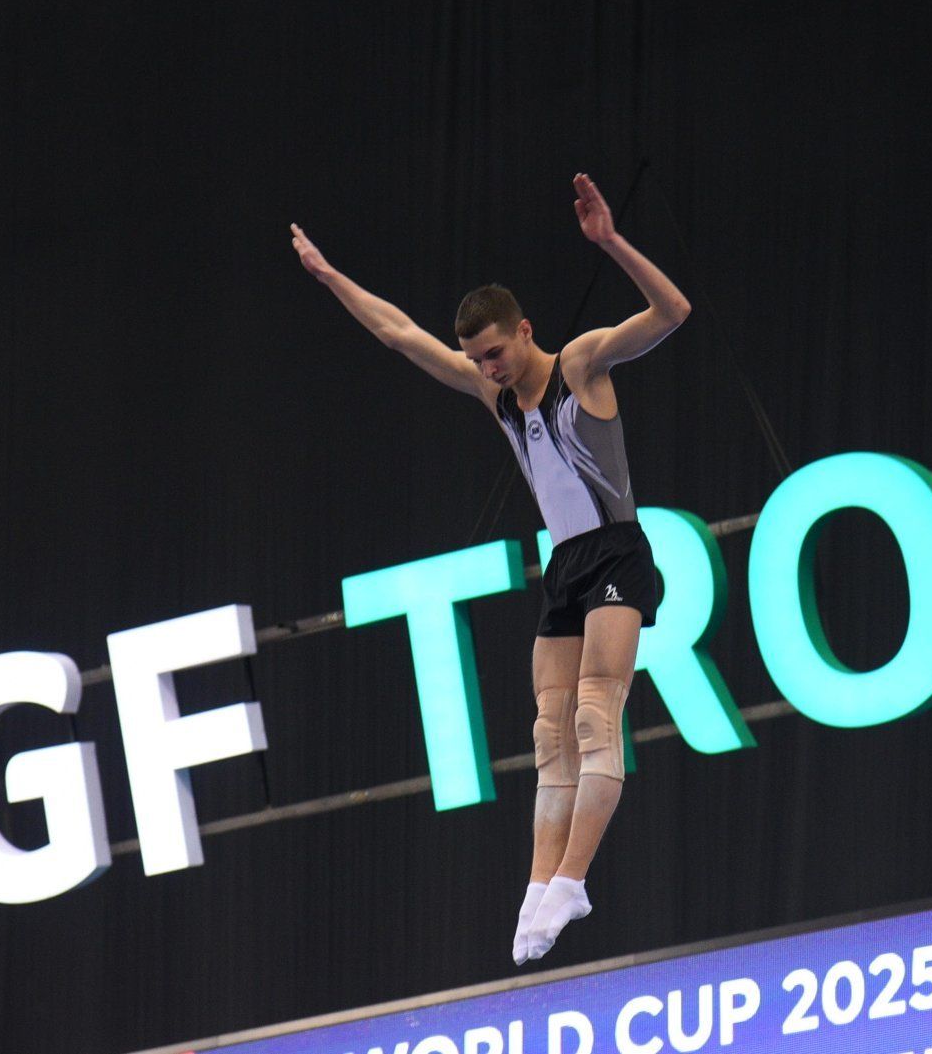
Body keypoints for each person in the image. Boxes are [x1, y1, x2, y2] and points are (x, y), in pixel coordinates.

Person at [289, 173, 690, 965]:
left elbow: (673, 314)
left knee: (592, 715)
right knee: (548, 734)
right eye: (478, 358)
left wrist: (610, 243)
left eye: (496, 352)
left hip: (617, 550)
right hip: (565, 565)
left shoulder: (579, 365)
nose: (489, 367)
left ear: (525, 330)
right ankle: (542, 882)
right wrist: (332, 278)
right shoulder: (494, 396)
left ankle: (574, 876)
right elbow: (401, 335)